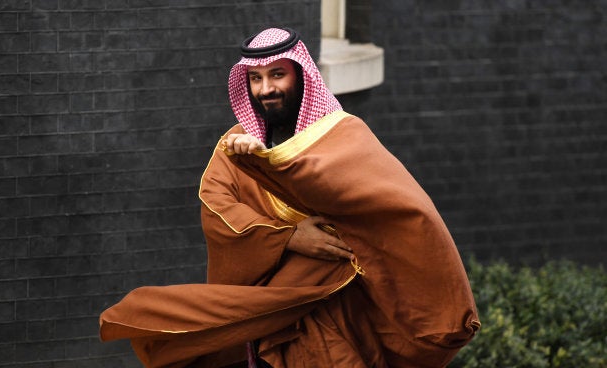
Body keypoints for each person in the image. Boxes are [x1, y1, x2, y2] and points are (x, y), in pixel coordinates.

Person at [100, 27, 480, 368]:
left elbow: (389, 207)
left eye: (277, 75)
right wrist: (289, 237)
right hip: (272, 320)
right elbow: (217, 207)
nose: (266, 89)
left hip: (342, 312)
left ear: (301, 75)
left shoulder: (345, 135)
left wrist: (270, 166)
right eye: (256, 78)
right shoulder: (235, 146)